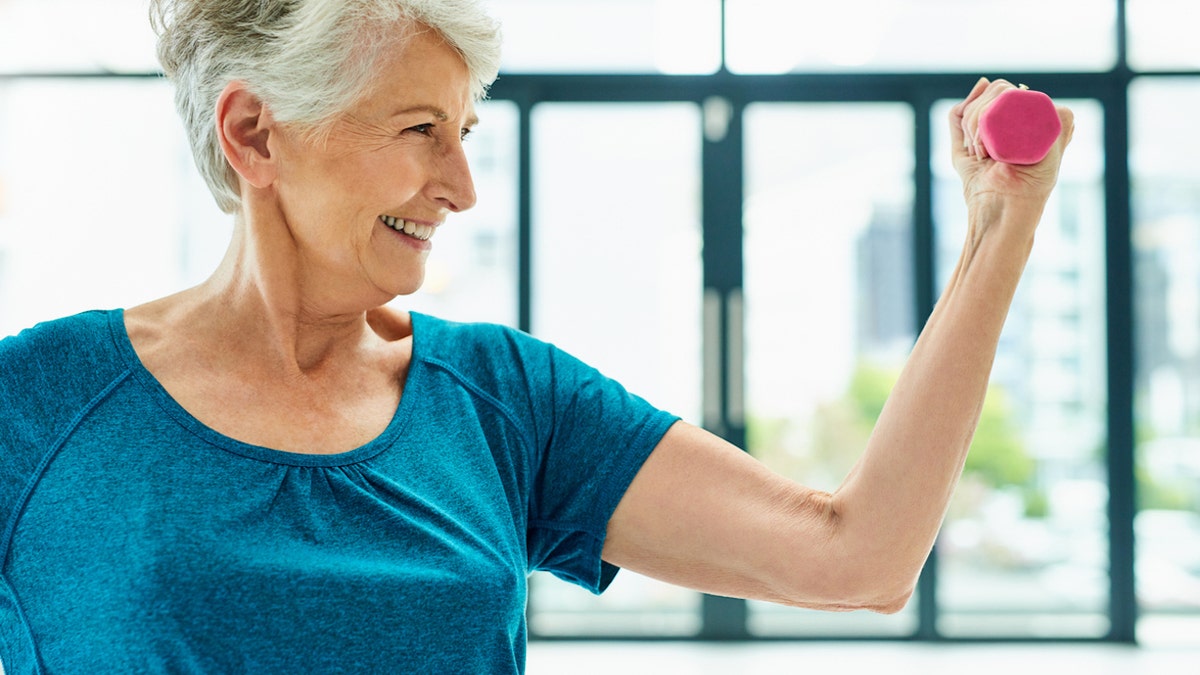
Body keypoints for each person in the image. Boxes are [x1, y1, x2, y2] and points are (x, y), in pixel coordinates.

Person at [0, 0, 1074, 672]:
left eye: (464, 134)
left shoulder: (505, 400)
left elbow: (860, 557)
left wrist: (996, 236)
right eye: (420, 130)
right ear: (253, 132)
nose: (462, 186)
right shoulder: (37, 403)